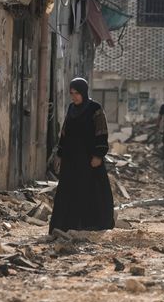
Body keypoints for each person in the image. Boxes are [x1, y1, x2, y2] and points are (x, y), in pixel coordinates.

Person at [49, 78, 115, 234]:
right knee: (68, 193)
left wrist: (98, 155)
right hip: (71, 160)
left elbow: (102, 132)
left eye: (77, 93)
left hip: (89, 160)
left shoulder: (95, 109)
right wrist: (60, 154)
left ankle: (90, 226)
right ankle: (66, 227)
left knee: (91, 191)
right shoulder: (71, 109)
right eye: (72, 93)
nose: (74, 97)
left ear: (84, 92)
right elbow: (64, 133)